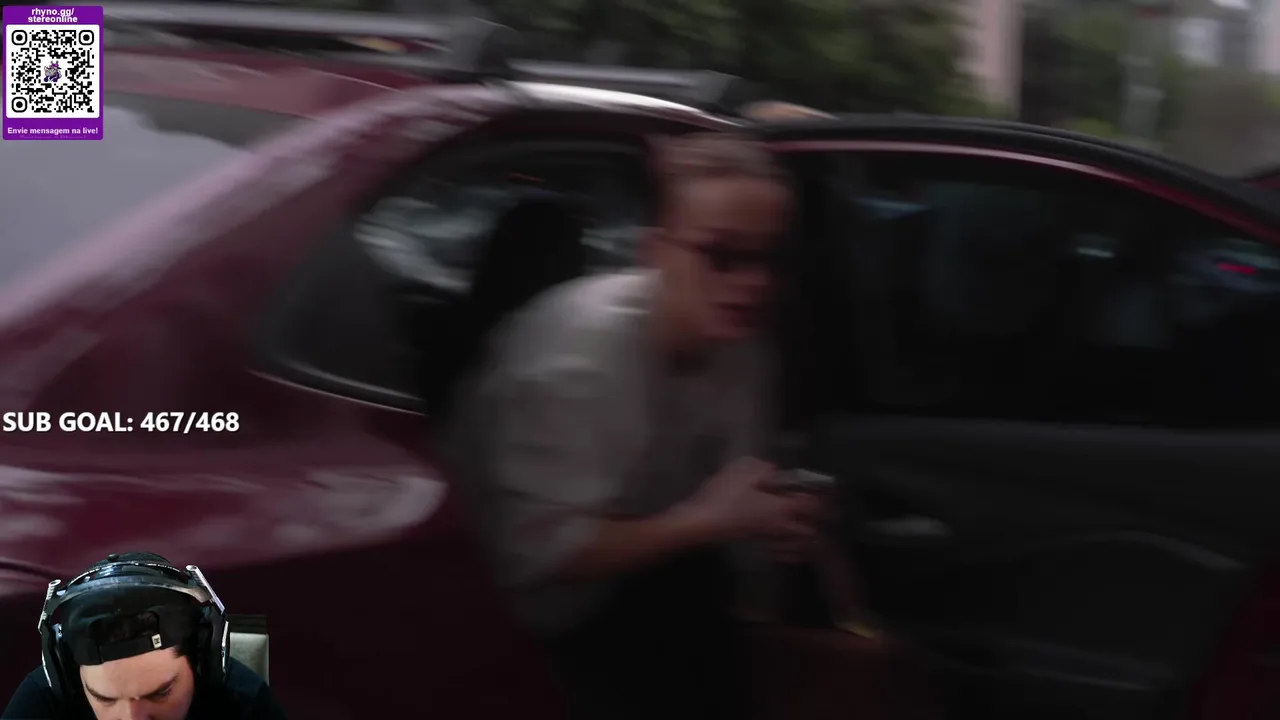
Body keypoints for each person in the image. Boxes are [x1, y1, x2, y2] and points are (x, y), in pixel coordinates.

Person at [446, 131, 825, 720]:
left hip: (622, 593)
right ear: (655, 251)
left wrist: (774, 525)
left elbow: (738, 489)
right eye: (722, 254)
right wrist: (709, 520)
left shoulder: (741, 347)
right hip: (496, 620)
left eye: (769, 258)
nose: (754, 283)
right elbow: (538, 552)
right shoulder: (579, 357)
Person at [2, 552, 287, 720]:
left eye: (160, 694)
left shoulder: (245, 705)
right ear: (69, 679)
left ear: (202, 661)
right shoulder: (41, 704)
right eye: (104, 699)